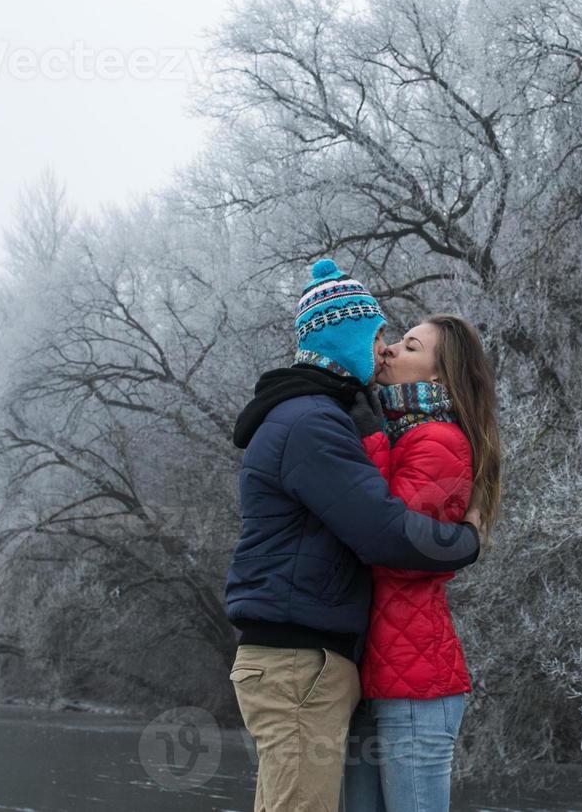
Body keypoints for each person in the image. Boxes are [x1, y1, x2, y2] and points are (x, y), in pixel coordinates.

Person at [224, 259, 483, 812]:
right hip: (300, 660)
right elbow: (385, 534)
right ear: (349, 342)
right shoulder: (313, 423)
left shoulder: (324, 419)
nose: (385, 349)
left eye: (402, 342)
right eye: (379, 336)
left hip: (324, 661)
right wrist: (468, 543)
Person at [342, 314, 503, 812]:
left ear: (438, 376)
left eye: (410, 346)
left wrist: (369, 440)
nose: (389, 351)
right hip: (374, 673)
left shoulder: (439, 441)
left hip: (416, 686)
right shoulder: (402, 432)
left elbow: (400, 552)